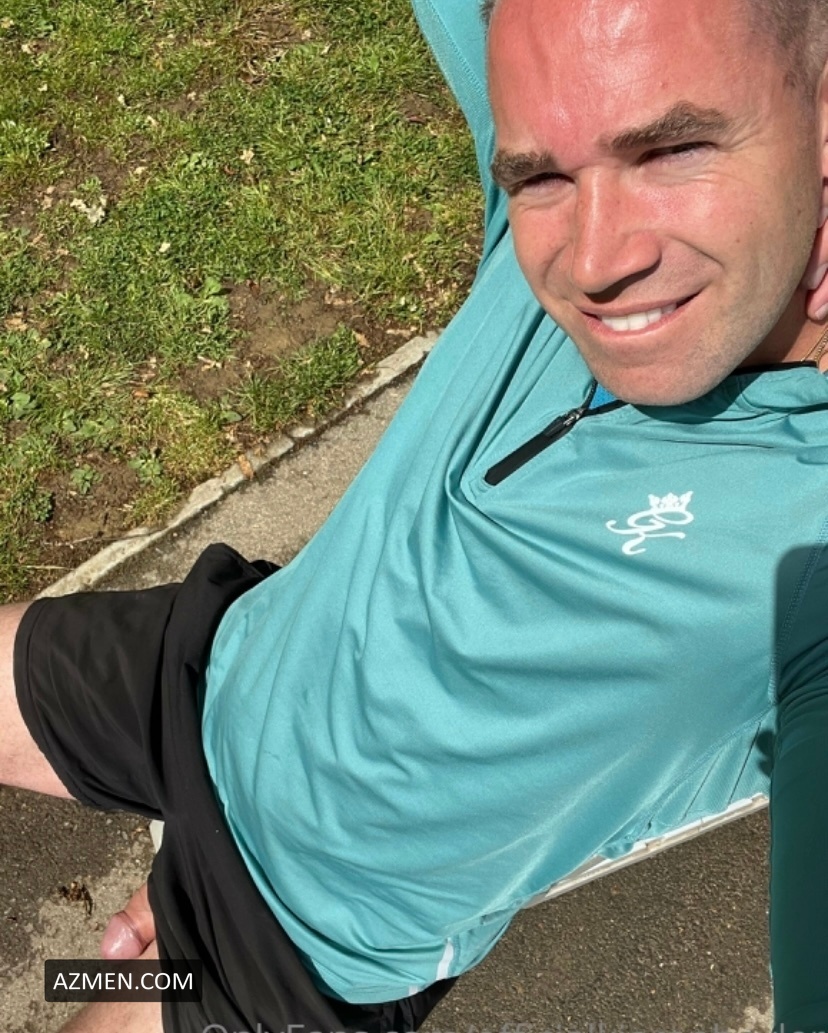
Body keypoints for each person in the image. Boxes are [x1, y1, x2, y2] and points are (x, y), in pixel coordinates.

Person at [4, 0, 828, 1029]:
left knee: (105, 982)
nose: (593, 262)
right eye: (540, 175)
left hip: (279, 941)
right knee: (82, 967)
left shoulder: (809, 545)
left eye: (669, 150)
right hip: (218, 666)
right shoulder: (542, 241)